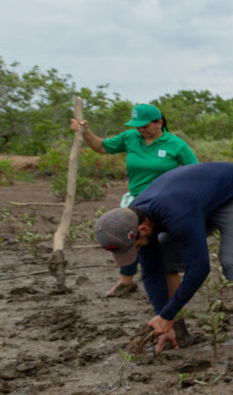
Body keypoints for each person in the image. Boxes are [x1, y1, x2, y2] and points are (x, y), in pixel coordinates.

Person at [93, 160, 233, 354]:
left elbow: (199, 268)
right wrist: (163, 317)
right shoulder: (134, 217)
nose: (137, 249)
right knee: (166, 258)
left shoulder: (175, 214)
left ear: (142, 229)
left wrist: (167, 314)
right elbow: (150, 272)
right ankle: (177, 332)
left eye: (135, 246)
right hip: (199, 200)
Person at [72, 103, 199, 296]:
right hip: (137, 200)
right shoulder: (130, 137)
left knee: (164, 242)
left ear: (159, 122)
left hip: (166, 201)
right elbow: (101, 147)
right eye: (137, 125)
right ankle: (126, 281)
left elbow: (196, 172)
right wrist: (86, 131)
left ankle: (175, 286)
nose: (140, 129)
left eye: (145, 125)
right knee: (129, 237)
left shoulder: (176, 144)